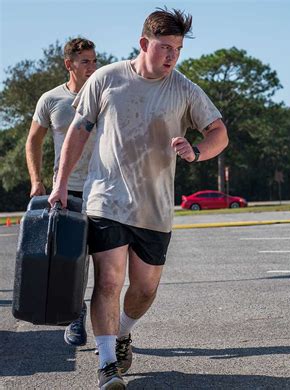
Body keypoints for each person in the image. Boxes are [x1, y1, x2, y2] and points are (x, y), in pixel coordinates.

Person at [48, 7, 228, 390]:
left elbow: (219, 132)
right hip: (106, 200)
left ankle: (123, 332)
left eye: (177, 50)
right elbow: (77, 134)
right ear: (144, 43)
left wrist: (197, 151)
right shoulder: (106, 78)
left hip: (155, 207)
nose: (171, 57)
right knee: (109, 281)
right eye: (165, 47)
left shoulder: (184, 88)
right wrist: (60, 184)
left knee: (144, 289)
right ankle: (108, 364)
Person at [26, 37, 97, 346]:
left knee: (108, 265)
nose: (92, 67)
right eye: (85, 62)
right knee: (72, 259)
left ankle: (111, 333)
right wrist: (36, 181)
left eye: (95, 61)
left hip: (104, 191)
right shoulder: (51, 99)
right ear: (70, 64)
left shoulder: (105, 94)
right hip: (66, 192)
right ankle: (76, 312)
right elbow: (33, 141)